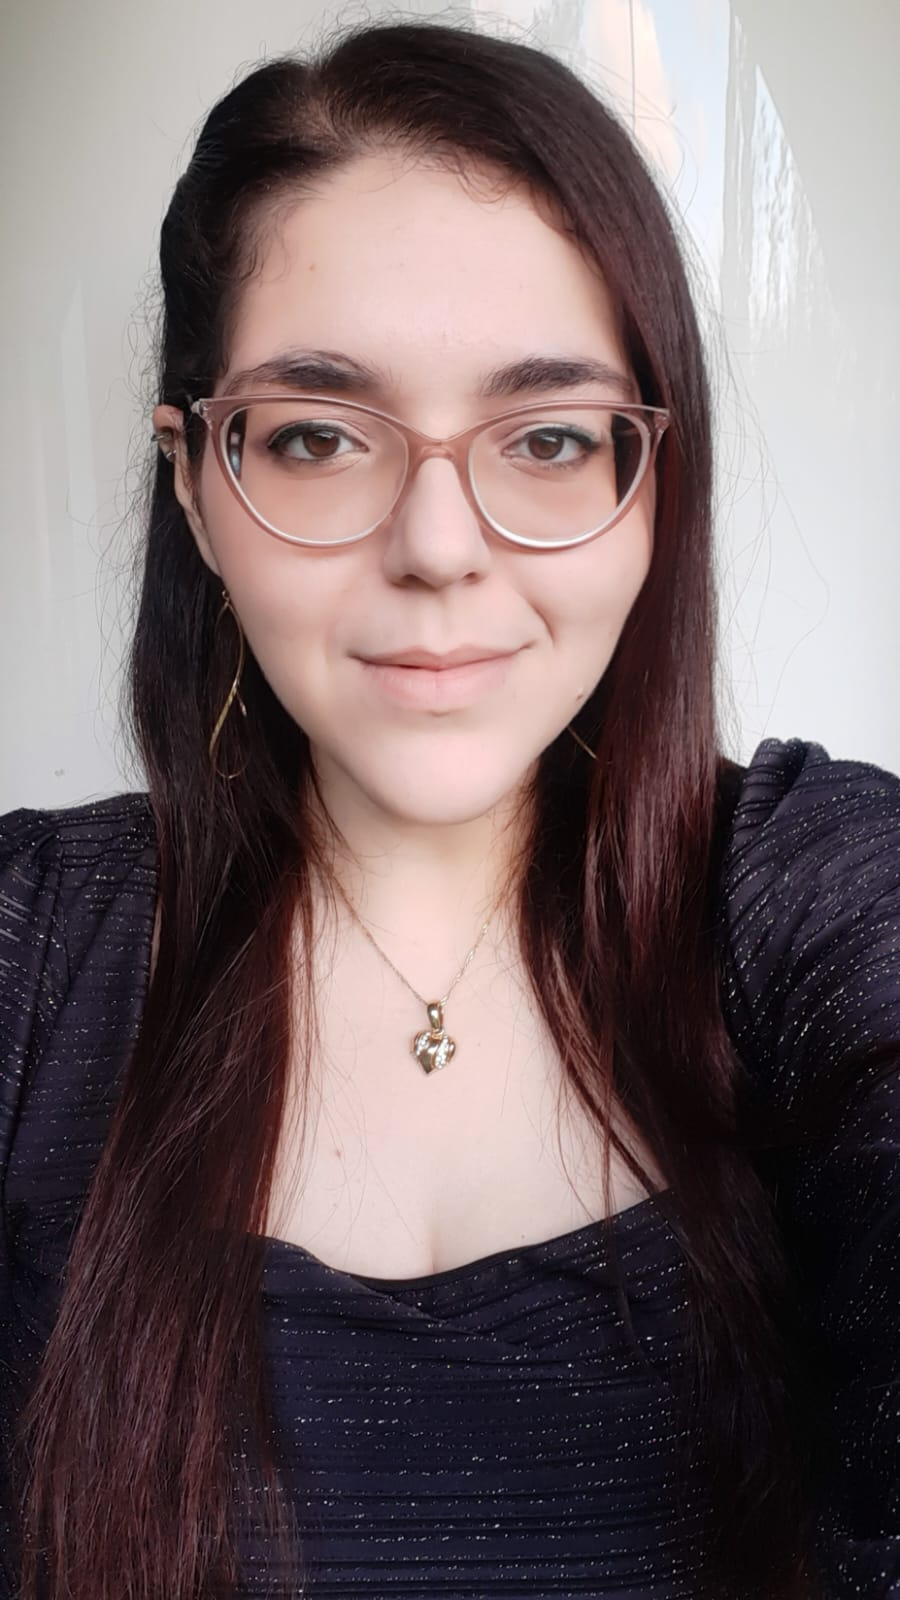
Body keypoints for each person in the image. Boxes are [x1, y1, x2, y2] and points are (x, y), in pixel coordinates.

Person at [0, 18, 897, 1600]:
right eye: (319, 437)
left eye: (547, 439)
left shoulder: (810, 895)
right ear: (195, 484)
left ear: (652, 480)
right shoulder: (32, 957)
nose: (437, 545)